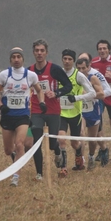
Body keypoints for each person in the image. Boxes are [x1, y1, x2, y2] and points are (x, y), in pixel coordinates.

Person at [0, 47, 45, 186]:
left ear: (23, 59)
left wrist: (42, 102)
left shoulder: (30, 75)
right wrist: (1, 106)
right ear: (10, 60)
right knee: (9, 150)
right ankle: (17, 160)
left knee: (20, 144)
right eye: (14, 57)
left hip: (23, 116)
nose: (16, 59)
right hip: (7, 116)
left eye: (19, 57)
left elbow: (39, 91)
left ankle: (15, 176)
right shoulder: (4, 74)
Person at [28, 39, 72, 180]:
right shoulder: (29, 71)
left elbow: (68, 86)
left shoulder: (54, 69)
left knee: (52, 143)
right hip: (36, 111)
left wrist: (57, 93)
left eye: (42, 51)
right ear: (34, 52)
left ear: (46, 53)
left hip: (53, 110)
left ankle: (58, 151)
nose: (39, 53)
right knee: (36, 141)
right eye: (37, 50)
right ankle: (39, 173)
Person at [58, 49, 96, 178]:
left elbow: (92, 93)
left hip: (75, 114)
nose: (67, 61)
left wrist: (77, 98)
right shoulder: (57, 74)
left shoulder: (78, 75)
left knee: (74, 143)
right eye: (65, 59)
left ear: (73, 61)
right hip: (61, 113)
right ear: (62, 60)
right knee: (61, 140)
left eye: (70, 59)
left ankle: (79, 152)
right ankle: (63, 168)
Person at [77, 52, 111, 166]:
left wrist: (88, 94)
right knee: (81, 133)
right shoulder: (74, 78)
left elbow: (104, 93)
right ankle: (80, 160)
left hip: (94, 109)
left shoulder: (94, 77)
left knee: (94, 138)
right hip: (80, 110)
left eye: (83, 68)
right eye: (79, 68)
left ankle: (95, 154)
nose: (81, 70)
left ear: (88, 66)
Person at [0, 78, 34, 152]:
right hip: (10, 115)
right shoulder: (6, 77)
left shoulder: (29, 76)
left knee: (28, 144)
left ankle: (20, 158)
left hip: (25, 114)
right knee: (11, 149)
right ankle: (16, 158)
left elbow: (40, 90)